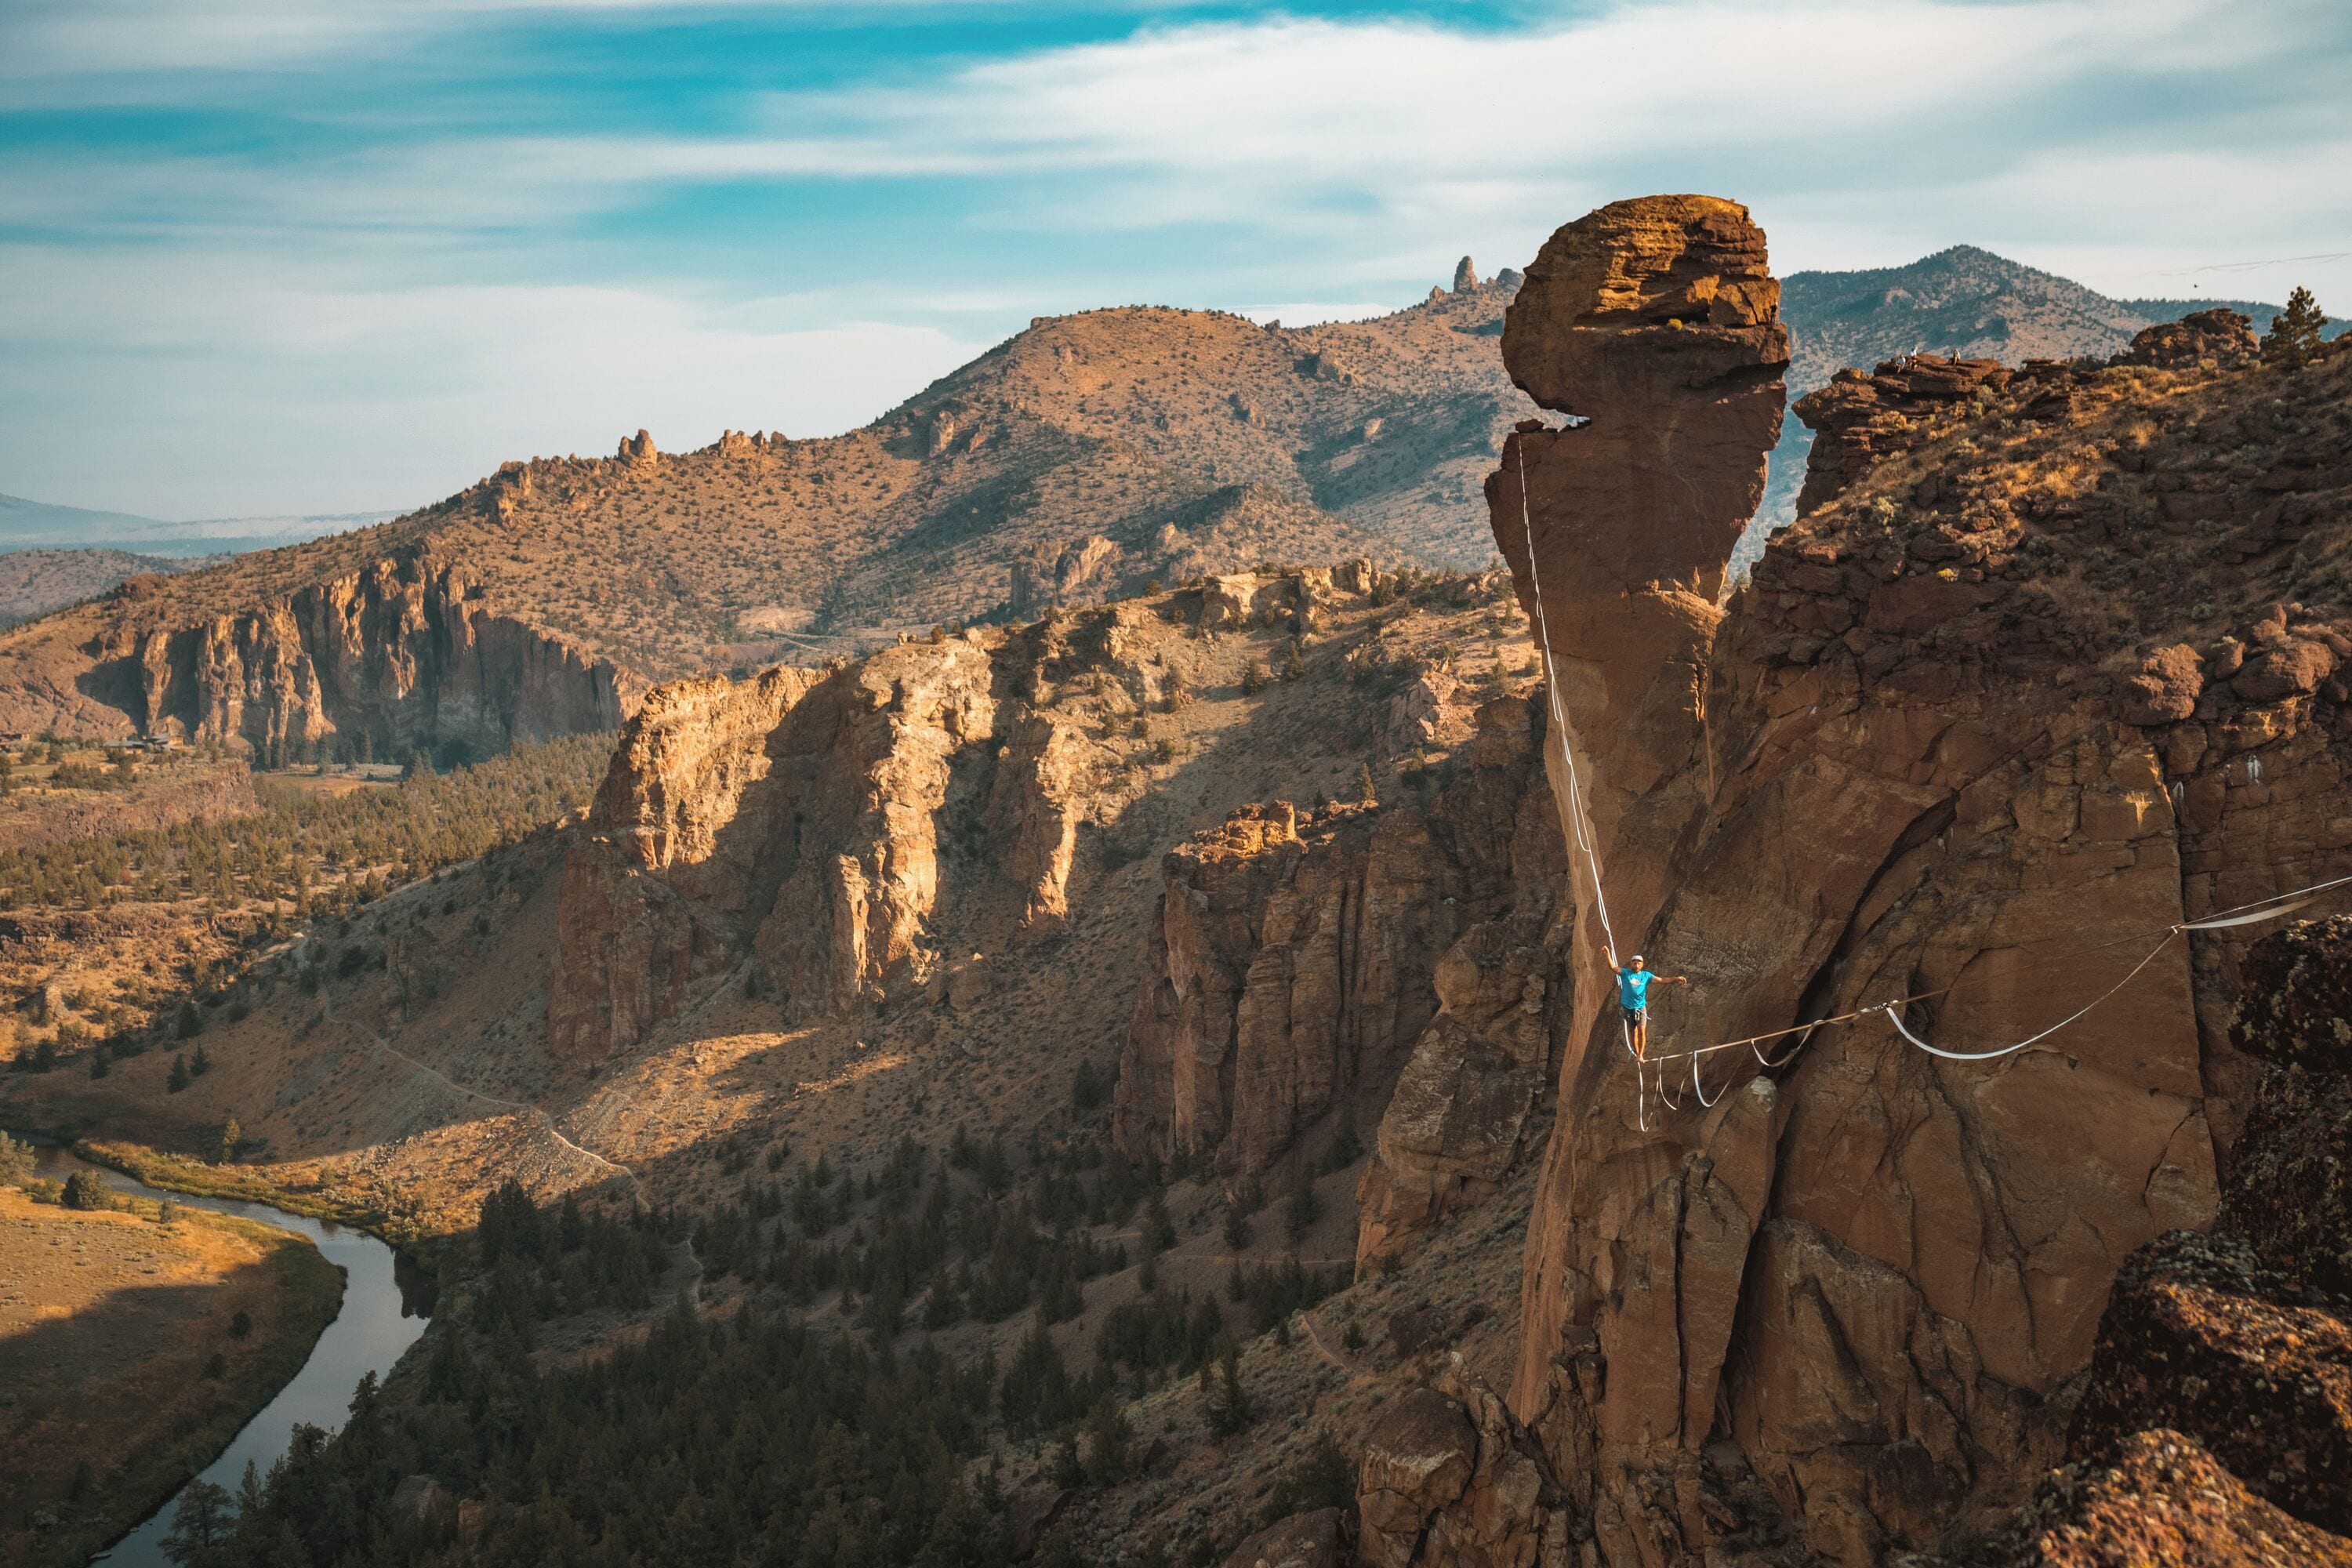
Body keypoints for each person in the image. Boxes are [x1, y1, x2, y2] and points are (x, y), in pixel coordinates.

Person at [1612, 953, 1686, 1060]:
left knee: (1641, 1030)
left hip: (1640, 1008)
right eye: (1634, 963)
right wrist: (1608, 954)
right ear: (1631, 964)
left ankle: (1640, 1055)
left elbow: (1662, 980)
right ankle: (1637, 1053)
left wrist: (1676, 978)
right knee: (1632, 1031)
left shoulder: (1646, 976)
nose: (1636, 965)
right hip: (1628, 1008)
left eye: (1638, 963)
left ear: (1642, 965)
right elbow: (1613, 967)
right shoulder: (1625, 973)